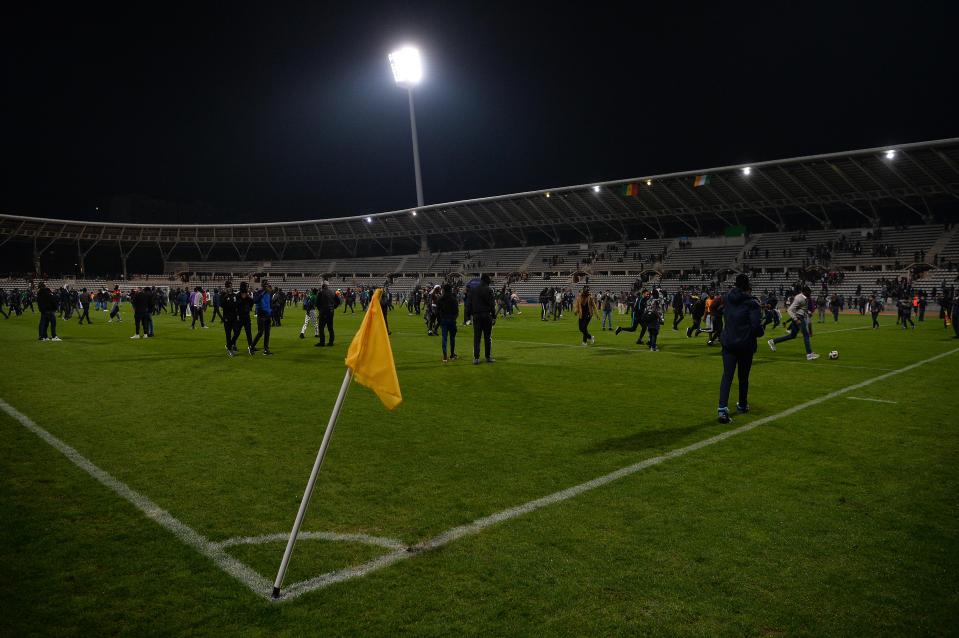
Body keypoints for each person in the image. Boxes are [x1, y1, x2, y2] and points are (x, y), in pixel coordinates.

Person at [717, 274, 763, 424]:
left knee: (727, 376)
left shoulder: (727, 298)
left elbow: (715, 309)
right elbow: (756, 326)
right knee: (743, 377)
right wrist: (759, 332)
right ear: (747, 286)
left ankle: (722, 409)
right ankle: (742, 405)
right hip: (745, 344)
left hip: (728, 342)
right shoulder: (752, 303)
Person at [768, 286, 819, 360]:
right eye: (809, 292)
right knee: (806, 335)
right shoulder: (799, 298)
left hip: (800, 317)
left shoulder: (804, 298)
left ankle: (773, 341)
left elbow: (800, 308)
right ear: (805, 292)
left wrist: (808, 312)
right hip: (798, 318)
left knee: (792, 336)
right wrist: (796, 319)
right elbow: (790, 310)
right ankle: (809, 355)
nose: (810, 293)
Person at [467, 274, 496, 364]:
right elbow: (492, 304)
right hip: (487, 315)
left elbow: (469, 304)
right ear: (486, 280)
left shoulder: (473, 290)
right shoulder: (489, 290)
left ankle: (476, 358)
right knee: (487, 337)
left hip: (476, 315)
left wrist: (469, 316)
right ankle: (488, 357)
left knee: (477, 337)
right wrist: (494, 316)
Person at [250, 281, 274, 355]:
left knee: (267, 333)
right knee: (260, 332)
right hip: (261, 315)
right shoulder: (259, 292)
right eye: (266, 286)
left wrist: (271, 311)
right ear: (263, 286)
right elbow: (255, 301)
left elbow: (269, 303)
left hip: (267, 315)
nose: (267, 287)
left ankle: (266, 349)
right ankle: (251, 347)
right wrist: (262, 294)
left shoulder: (269, 293)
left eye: (268, 285)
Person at [437, 283, 459, 362]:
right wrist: (454, 318)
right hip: (452, 320)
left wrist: (440, 321)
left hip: (444, 320)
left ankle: (445, 356)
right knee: (452, 338)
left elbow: (437, 311)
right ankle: (452, 355)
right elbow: (457, 312)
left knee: (444, 338)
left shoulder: (440, 299)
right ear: (450, 289)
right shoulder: (454, 299)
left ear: (444, 289)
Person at [314, 282, 338, 347]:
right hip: (331, 311)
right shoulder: (333, 292)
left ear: (322, 287)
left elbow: (317, 303)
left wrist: (320, 310)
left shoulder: (321, 292)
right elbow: (338, 301)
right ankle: (331, 342)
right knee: (330, 327)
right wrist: (334, 307)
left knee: (321, 327)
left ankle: (322, 342)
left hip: (324, 311)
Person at [220, 281, 239, 356]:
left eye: (230, 286)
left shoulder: (234, 295)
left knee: (237, 332)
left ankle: (230, 345)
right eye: (228, 286)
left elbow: (237, 305)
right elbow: (221, 305)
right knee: (228, 334)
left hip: (234, 317)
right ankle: (230, 349)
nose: (230, 288)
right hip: (227, 317)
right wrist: (225, 296)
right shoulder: (223, 295)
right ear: (226, 287)